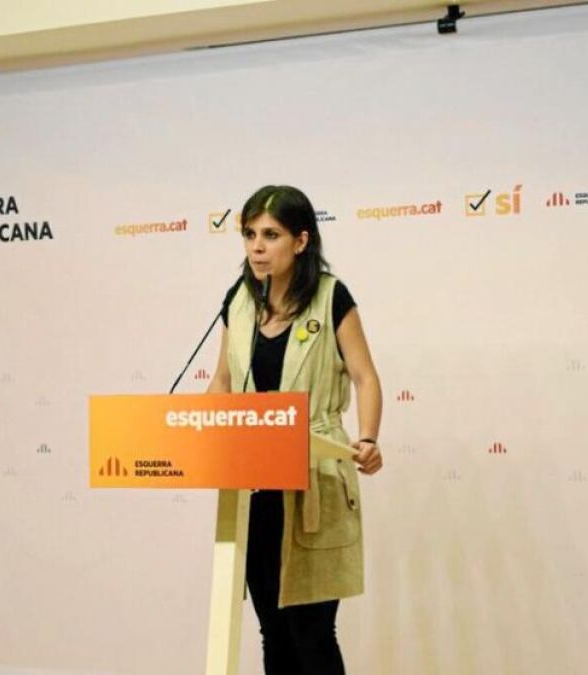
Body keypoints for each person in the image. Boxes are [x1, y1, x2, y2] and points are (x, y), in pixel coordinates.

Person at [206, 185, 383, 674]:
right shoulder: (238, 300)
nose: (257, 247)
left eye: (271, 235)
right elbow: (222, 381)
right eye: (249, 235)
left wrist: (368, 438)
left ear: (301, 241)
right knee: (273, 631)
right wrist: (197, 431)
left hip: (315, 480)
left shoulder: (330, 297)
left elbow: (366, 377)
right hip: (254, 485)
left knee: (311, 631)